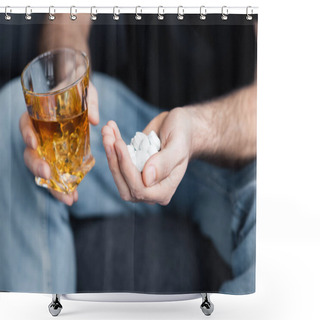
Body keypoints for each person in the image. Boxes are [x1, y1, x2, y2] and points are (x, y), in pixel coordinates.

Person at [0, 14, 256, 294]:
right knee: (14, 114)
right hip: (141, 122)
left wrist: (195, 130)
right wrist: (69, 81)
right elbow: (68, 17)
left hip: (240, 153)